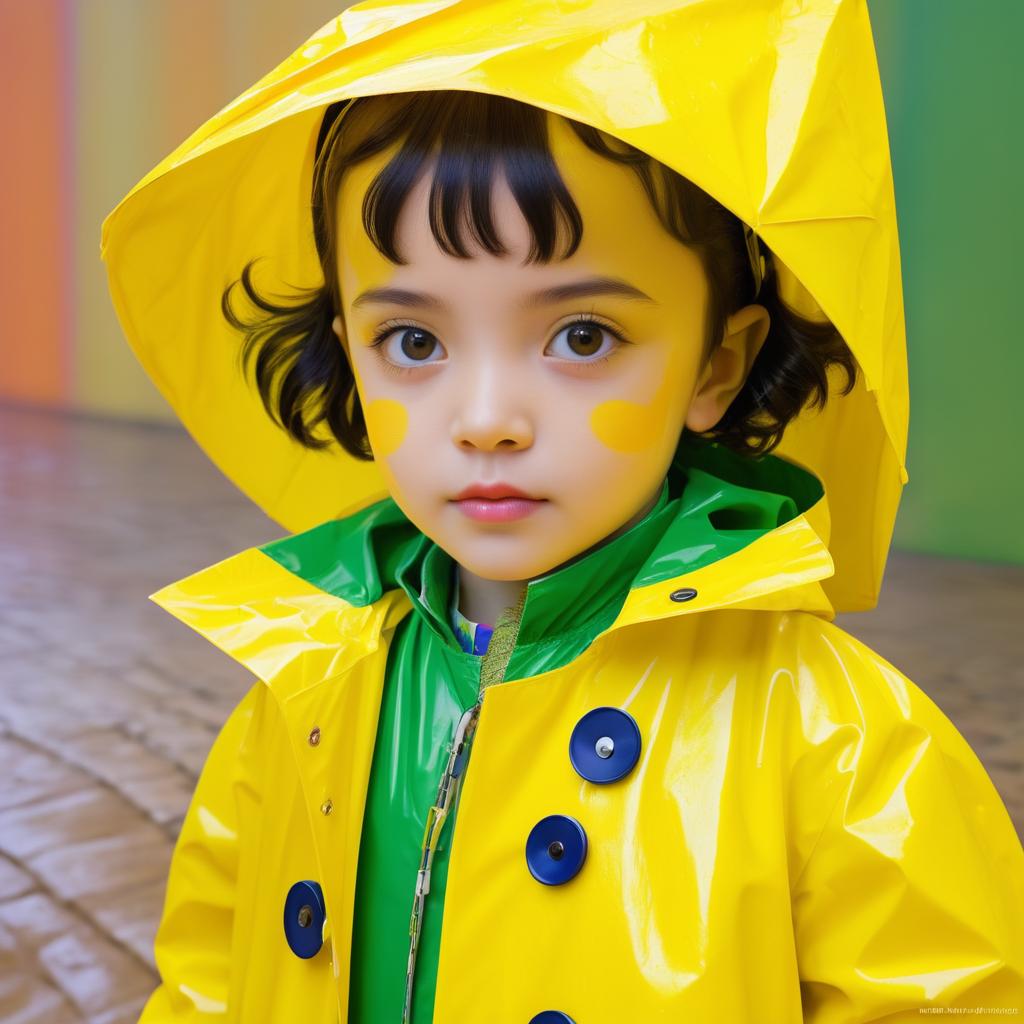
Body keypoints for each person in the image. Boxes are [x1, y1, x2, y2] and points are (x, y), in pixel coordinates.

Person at [100, 3, 1024, 1022]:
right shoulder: (303, 693)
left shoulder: (835, 741)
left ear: (715, 363)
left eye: (581, 335)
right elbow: (208, 985)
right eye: (413, 342)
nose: (486, 418)